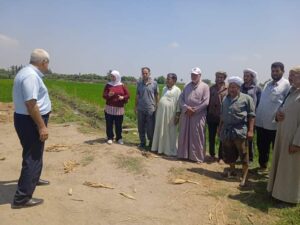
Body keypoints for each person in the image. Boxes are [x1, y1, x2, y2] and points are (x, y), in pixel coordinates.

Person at [12, 49, 52, 208]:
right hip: (31, 121)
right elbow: (31, 104)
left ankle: (34, 178)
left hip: (27, 119)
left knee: (33, 152)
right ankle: (22, 198)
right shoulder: (30, 76)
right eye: (48, 62)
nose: (48, 65)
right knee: (33, 156)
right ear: (44, 62)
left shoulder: (26, 72)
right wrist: (41, 126)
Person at [267, 66, 300, 204]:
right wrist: (277, 115)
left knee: (291, 169)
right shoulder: (291, 92)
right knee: (282, 166)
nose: (290, 77)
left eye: (293, 75)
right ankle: (277, 192)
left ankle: (289, 198)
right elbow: (282, 109)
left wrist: (297, 143)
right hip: (283, 136)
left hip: (294, 139)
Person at [219, 76, 255, 187]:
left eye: (234, 87)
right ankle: (233, 171)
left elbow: (251, 116)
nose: (232, 89)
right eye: (230, 87)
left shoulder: (247, 98)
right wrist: (219, 127)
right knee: (229, 152)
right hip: (227, 130)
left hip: (240, 131)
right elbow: (222, 114)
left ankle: (244, 177)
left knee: (243, 154)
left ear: (239, 87)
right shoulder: (225, 98)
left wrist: (250, 130)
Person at [255, 62, 290, 170]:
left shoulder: (286, 85)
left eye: (277, 71)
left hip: (274, 124)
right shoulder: (267, 84)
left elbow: (287, 103)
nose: (274, 73)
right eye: (272, 71)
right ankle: (262, 166)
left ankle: (275, 171)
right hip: (261, 122)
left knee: (276, 149)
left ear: (283, 71)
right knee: (262, 147)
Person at [177, 67, 210, 163]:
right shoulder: (187, 85)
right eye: (192, 74)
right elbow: (181, 99)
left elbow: (206, 102)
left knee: (197, 135)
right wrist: (187, 108)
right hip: (186, 114)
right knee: (184, 134)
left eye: (195, 75)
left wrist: (195, 110)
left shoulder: (205, 86)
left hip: (198, 115)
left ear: (200, 75)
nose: (193, 76)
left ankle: (197, 157)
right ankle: (183, 154)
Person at [151, 73, 181, 156]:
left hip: (170, 114)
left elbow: (179, 104)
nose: (167, 80)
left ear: (174, 80)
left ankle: (169, 150)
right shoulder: (164, 88)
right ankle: (159, 148)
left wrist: (177, 116)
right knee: (160, 130)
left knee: (170, 132)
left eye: (169, 79)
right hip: (161, 113)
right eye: (167, 79)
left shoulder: (177, 90)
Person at [135, 67, 159, 150]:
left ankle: (151, 143)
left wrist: (157, 105)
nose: (144, 75)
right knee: (141, 127)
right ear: (141, 74)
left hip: (150, 109)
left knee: (150, 128)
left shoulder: (154, 83)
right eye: (143, 73)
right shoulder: (139, 83)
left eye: (146, 73)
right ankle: (142, 143)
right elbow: (137, 95)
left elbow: (156, 95)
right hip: (141, 108)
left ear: (149, 73)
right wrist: (135, 106)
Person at [103, 70, 130, 145]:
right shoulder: (108, 85)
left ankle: (119, 138)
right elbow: (104, 96)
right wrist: (109, 95)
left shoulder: (122, 85)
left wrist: (123, 97)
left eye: (113, 76)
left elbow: (128, 95)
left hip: (119, 109)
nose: (112, 78)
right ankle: (110, 137)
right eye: (111, 76)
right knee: (109, 124)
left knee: (118, 124)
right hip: (109, 108)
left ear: (117, 76)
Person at [241, 68, 262, 162]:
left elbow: (259, 103)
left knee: (250, 137)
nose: (245, 78)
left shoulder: (257, 89)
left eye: (247, 76)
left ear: (252, 77)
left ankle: (250, 158)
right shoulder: (240, 87)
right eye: (244, 76)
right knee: (240, 137)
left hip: (251, 116)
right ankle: (241, 156)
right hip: (240, 116)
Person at [207, 71, 228, 162]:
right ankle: (212, 154)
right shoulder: (211, 88)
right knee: (211, 137)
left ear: (224, 78)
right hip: (211, 116)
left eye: (221, 77)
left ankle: (221, 157)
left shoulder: (227, 89)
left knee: (222, 138)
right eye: (218, 77)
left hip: (222, 117)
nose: (219, 78)